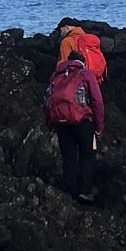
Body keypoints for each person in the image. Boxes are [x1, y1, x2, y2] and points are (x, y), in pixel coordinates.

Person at [44, 50, 105, 203]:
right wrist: (99, 126)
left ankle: (70, 192)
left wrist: (50, 123)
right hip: (83, 122)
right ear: (82, 62)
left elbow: (47, 100)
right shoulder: (85, 74)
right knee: (87, 154)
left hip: (61, 122)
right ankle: (84, 190)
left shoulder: (55, 75)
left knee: (68, 157)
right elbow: (97, 102)